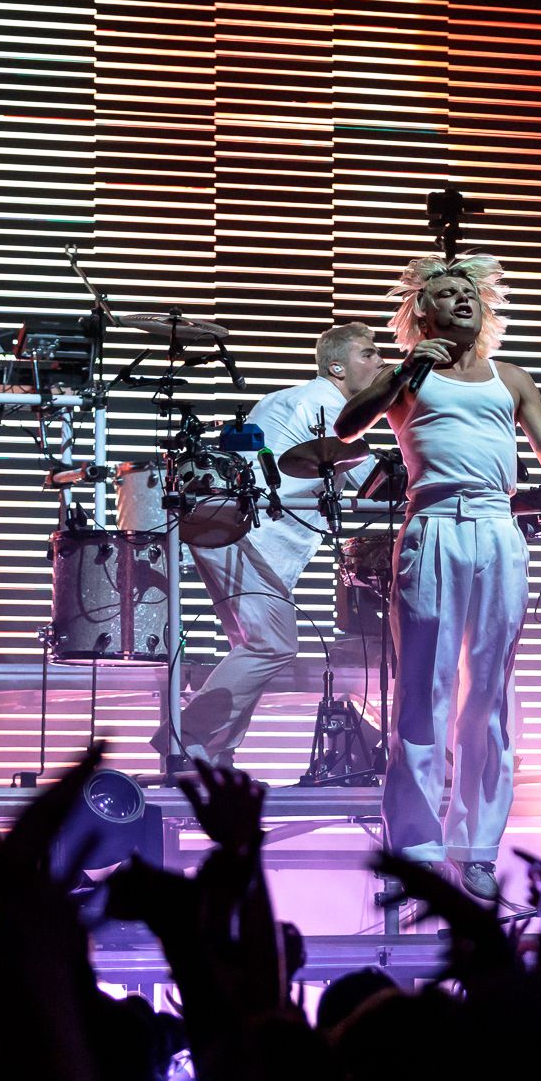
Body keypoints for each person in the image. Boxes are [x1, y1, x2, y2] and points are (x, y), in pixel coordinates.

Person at [335, 253, 541, 901]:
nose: (463, 298)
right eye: (446, 292)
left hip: (498, 528)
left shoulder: (511, 377)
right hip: (434, 526)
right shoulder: (406, 377)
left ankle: (475, 848)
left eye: (469, 290)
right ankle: (417, 850)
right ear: (423, 312)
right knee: (425, 692)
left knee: (489, 696)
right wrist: (401, 374)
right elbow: (347, 425)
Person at [169, 323, 382, 768]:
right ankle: (184, 741)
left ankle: (215, 760)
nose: (381, 362)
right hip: (245, 537)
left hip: (232, 533)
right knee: (272, 645)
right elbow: (374, 482)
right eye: (368, 353)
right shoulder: (326, 405)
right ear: (336, 367)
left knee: (252, 648)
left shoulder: (284, 398)